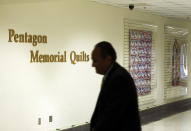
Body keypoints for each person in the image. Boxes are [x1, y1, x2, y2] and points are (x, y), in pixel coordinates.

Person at [90, 41, 141, 131]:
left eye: (96, 61)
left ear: (108, 59)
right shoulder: (112, 76)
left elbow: (112, 117)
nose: (93, 65)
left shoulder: (119, 79)